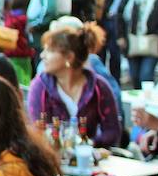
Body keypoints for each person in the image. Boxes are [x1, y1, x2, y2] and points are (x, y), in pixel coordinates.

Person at [28, 19, 121, 147]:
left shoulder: (98, 87)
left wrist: (89, 144)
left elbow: (112, 131)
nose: (43, 56)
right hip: (52, 160)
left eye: (50, 51)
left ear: (69, 57)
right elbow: (37, 131)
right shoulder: (40, 87)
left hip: (88, 160)